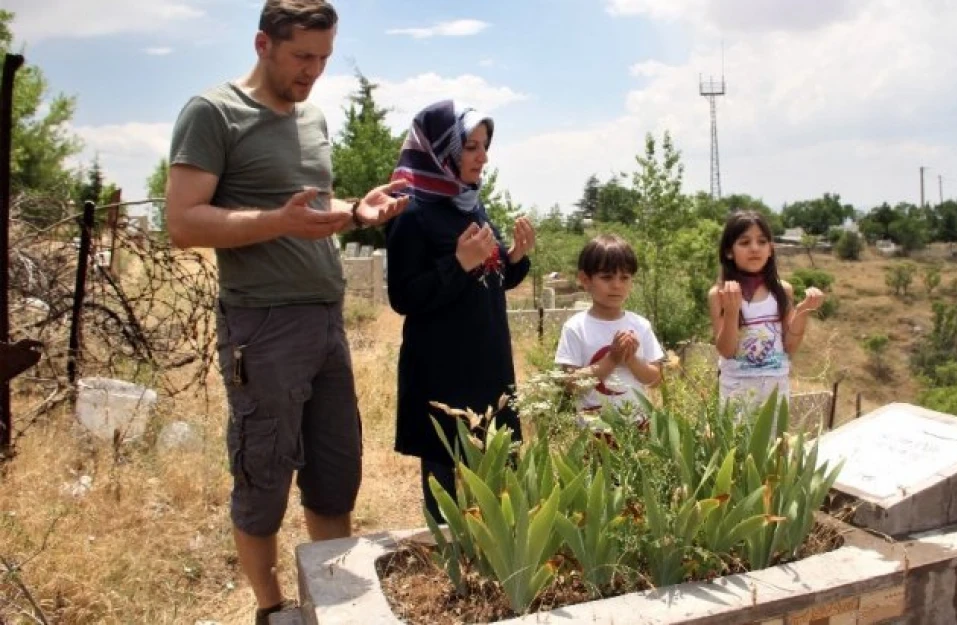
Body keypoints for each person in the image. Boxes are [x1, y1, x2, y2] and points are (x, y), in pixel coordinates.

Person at [164, 1, 407, 622]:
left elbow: (309, 208)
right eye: (302, 56)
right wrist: (278, 222)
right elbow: (184, 222)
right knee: (263, 475)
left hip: (326, 319)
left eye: (324, 58)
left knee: (334, 471)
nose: (314, 72)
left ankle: (329, 605)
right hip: (262, 325)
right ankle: (273, 612)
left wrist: (358, 210)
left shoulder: (313, 116)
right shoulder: (213, 113)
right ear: (262, 44)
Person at [385, 100, 535, 524]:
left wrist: (515, 257)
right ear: (441, 151)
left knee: (503, 488)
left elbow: (494, 279)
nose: (483, 158)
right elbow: (404, 298)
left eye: (484, 146)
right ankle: (453, 576)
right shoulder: (410, 211)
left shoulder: (470, 204)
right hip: (442, 372)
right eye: (470, 146)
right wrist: (458, 264)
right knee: (446, 491)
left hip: (488, 365)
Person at [708, 211, 824, 419]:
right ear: (728, 252)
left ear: (771, 249)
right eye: (744, 242)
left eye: (762, 242)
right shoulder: (720, 294)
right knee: (737, 449)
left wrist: (804, 311)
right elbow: (726, 350)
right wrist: (733, 311)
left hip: (775, 389)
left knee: (774, 448)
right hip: (737, 389)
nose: (754, 248)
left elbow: (790, 346)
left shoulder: (783, 290)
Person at [554, 234, 664, 424]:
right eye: (606, 277)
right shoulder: (576, 327)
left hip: (637, 425)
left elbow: (655, 379)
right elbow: (570, 383)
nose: (616, 285)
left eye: (625, 277)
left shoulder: (640, 325)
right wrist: (612, 359)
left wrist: (631, 359)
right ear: (585, 280)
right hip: (594, 429)